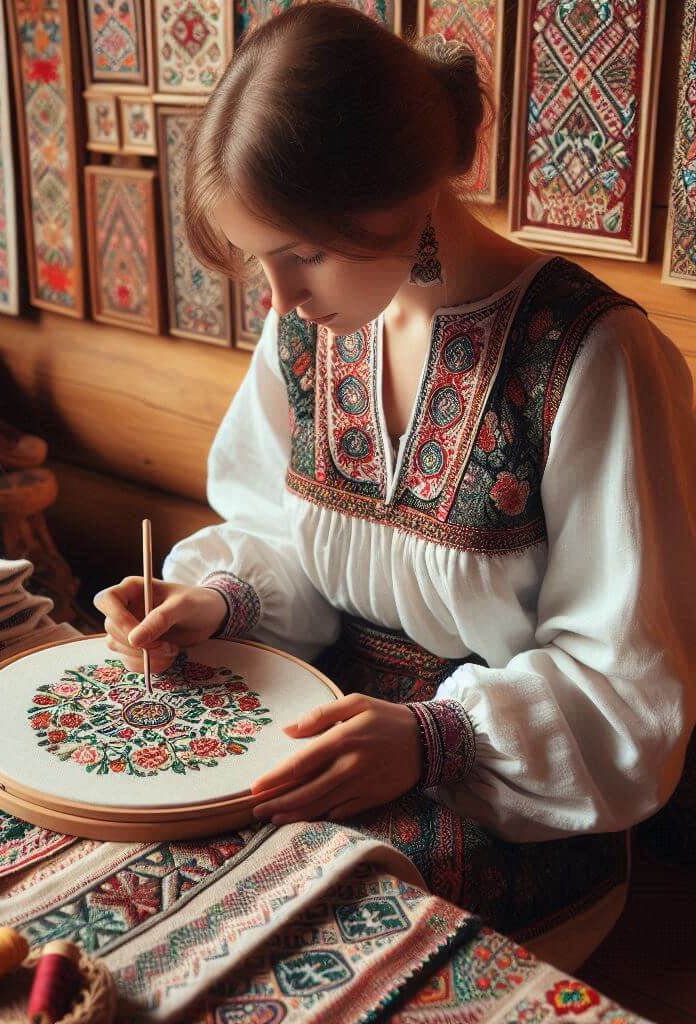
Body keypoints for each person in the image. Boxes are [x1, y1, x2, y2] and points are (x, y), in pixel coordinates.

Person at [93, 1, 696, 947]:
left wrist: (432, 739)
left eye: (305, 254)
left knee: (278, 915)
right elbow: (282, 541)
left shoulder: (593, 358)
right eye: (263, 259)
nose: (283, 297)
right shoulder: (309, 330)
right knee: (136, 847)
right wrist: (215, 602)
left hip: (517, 809)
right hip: (323, 724)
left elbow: (627, 689)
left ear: (405, 195)